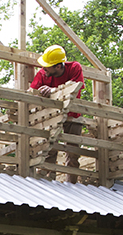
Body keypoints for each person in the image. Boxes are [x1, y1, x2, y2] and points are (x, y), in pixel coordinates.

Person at [29, 45, 85, 182]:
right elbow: (31, 93)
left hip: (73, 116)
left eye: (47, 66)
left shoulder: (74, 68)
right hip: (51, 117)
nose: (43, 69)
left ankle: (71, 184)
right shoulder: (42, 74)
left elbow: (74, 91)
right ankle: (48, 182)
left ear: (58, 67)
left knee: (73, 153)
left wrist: (52, 92)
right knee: (49, 149)